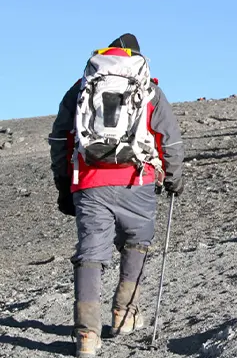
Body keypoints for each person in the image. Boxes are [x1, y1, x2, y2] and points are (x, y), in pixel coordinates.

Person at [48, 33, 185, 357]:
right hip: (136, 180)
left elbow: (59, 138)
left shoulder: (83, 85)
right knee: (136, 242)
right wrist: (174, 179)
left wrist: (64, 182)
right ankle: (124, 315)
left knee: (90, 253)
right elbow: (171, 138)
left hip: (90, 182)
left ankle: (86, 336)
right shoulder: (147, 87)